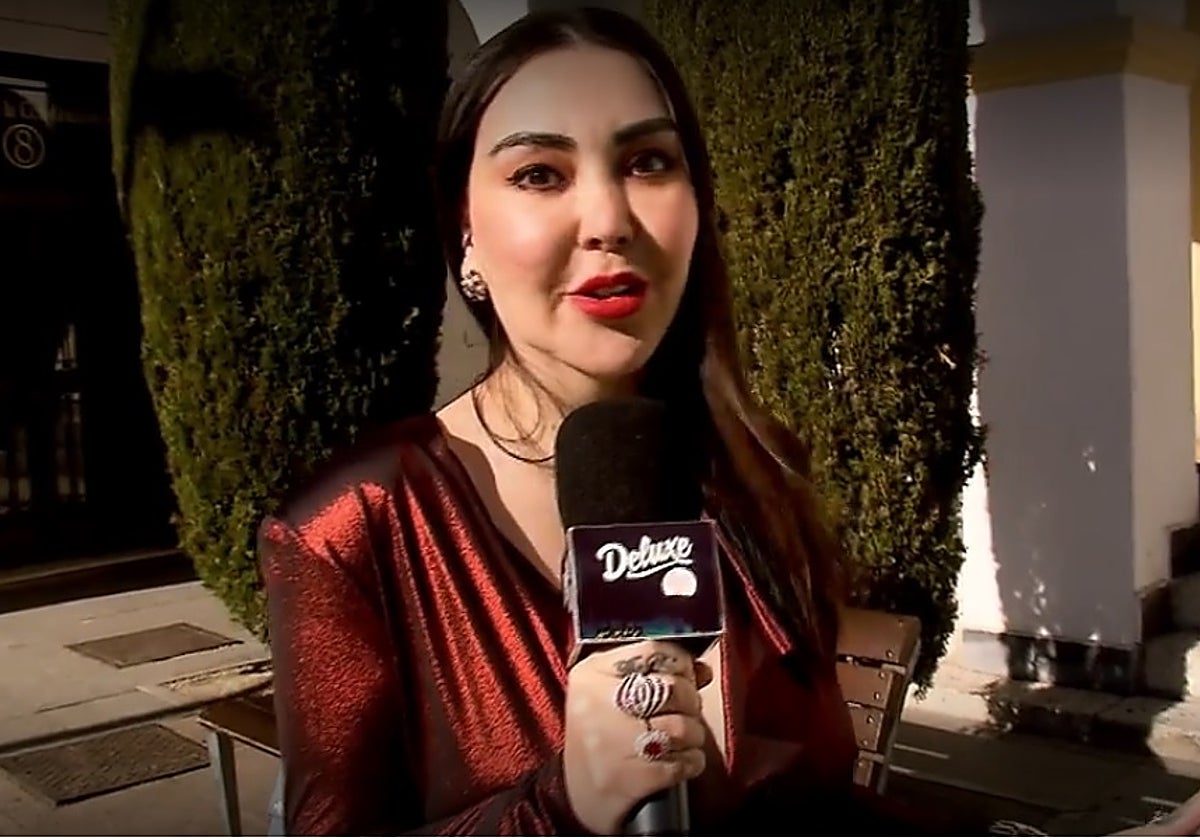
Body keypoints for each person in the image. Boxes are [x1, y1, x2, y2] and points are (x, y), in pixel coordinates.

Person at [258, 7, 1083, 836]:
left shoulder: (750, 471)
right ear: (464, 228)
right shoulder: (349, 530)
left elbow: (816, 808)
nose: (610, 220)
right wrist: (564, 806)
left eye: (648, 161)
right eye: (541, 173)